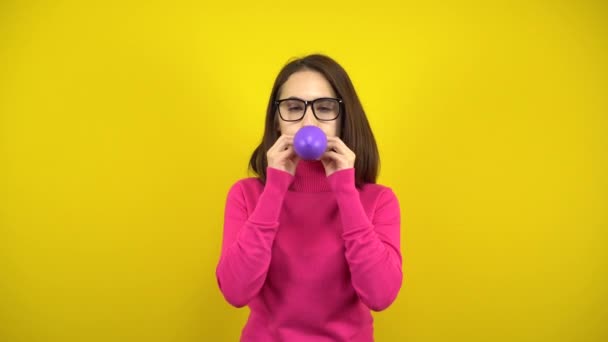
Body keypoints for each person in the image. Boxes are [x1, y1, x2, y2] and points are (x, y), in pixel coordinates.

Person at [215, 54, 403, 341]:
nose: (308, 121)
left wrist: (345, 189)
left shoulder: (379, 200)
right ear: (277, 120)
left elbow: (381, 296)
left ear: (343, 119)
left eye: (324, 107)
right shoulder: (246, 194)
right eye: (293, 107)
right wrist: (276, 187)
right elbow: (235, 291)